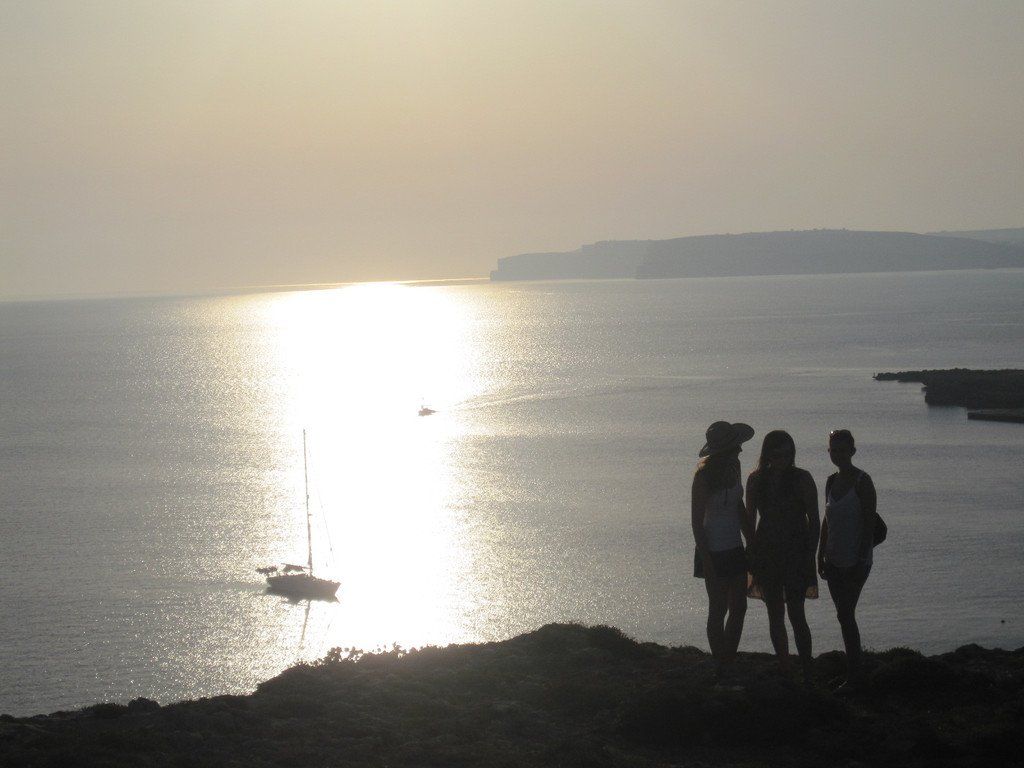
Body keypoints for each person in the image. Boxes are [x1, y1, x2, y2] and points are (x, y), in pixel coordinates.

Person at [746, 430, 820, 683]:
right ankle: (785, 667)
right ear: (767, 455)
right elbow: (749, 520)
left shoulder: (802, 479)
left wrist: (811, 552)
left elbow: (814, 519)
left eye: (788, 454)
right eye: (777, 454)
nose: (783, 459)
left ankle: (807, 669)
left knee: (797, 613)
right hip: (767, 551)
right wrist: (751, 550)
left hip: (796, 551)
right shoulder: (756, 480)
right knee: (775, 613)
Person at [692, 420, 755, 680]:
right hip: (713, 549)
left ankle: (727, 659)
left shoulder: (734, 468)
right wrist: (706, 559)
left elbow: (738, 505)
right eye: (736, 445)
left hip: (734, 546)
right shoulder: (703, 476)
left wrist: (751, 539)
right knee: (718, 609)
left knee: (739, 607)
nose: (740, 449)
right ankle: (721, 663)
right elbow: (697, 522)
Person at [818, 429, 876, 694]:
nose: (838, 455)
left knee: (845, 614)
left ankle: (855, 676)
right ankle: (854, 672)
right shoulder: (831, 481)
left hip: (856, 561)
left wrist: (861, 558)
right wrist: (820, 553)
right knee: (844, 616)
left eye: (843, 450)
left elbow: (869, 524)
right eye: (834, 450)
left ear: (852, 451)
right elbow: (826, 519)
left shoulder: (863, 481)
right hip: (833, 559)